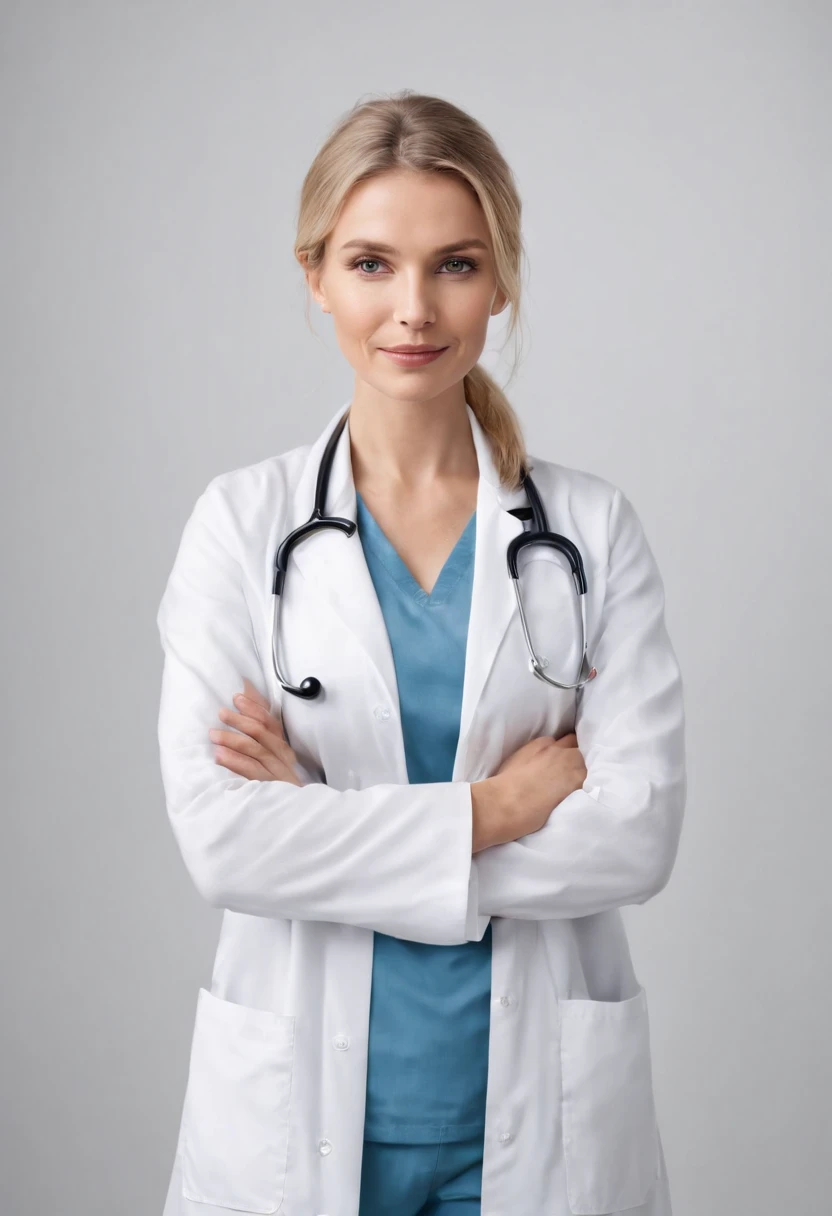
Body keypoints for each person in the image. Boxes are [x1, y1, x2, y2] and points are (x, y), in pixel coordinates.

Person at [157, 90, 686, 1216]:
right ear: (314, 276)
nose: (412, 309)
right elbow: (223, 845)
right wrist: (494, 811)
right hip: (296, 1119)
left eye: (453, 264)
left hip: (538, 1116)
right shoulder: (240, 526)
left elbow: (633, 837)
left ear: (498, 280)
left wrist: (322, 825)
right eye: (369, 264)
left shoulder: (589, 533)